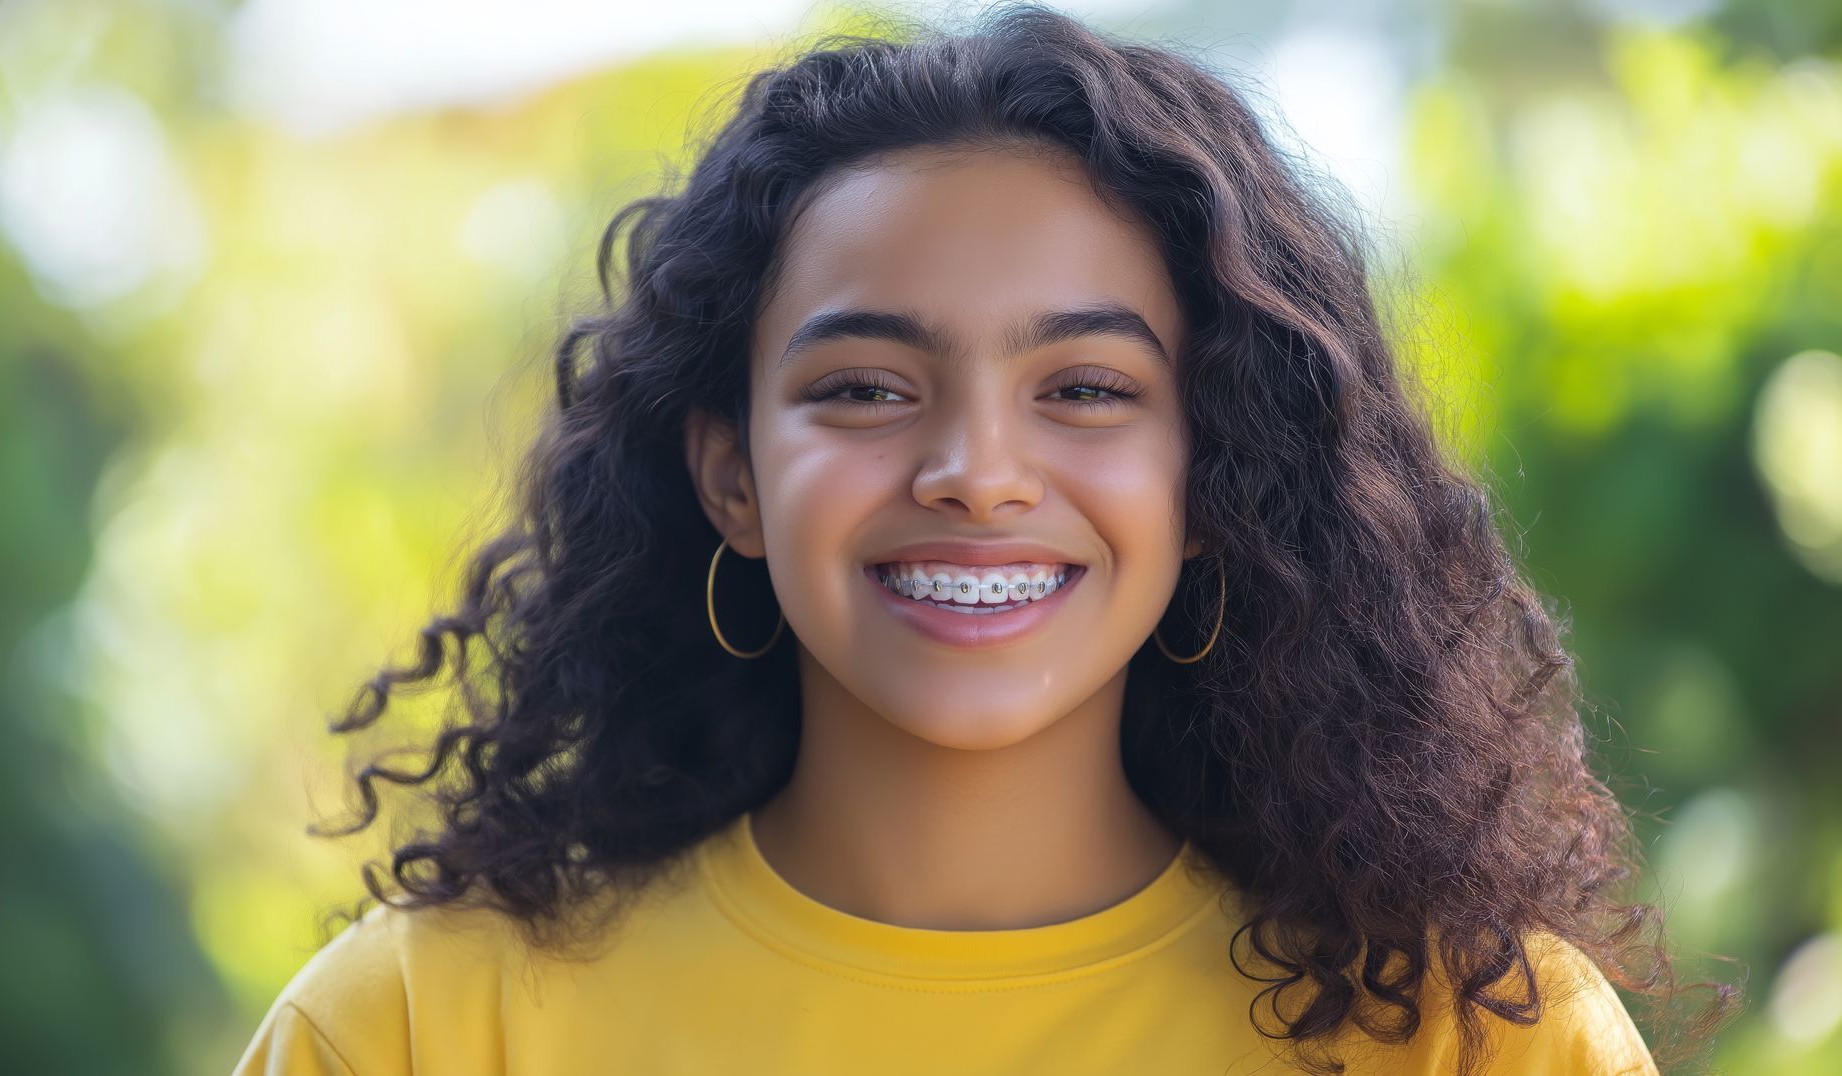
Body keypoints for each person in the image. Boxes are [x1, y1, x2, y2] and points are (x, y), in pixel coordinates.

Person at [232, 6, 1742, 1074]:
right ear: (733, 477)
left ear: (1213, 478)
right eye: (866, 388)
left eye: (1084, 389)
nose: (974, 472)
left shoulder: (1479, 1047)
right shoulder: (420, 1032)